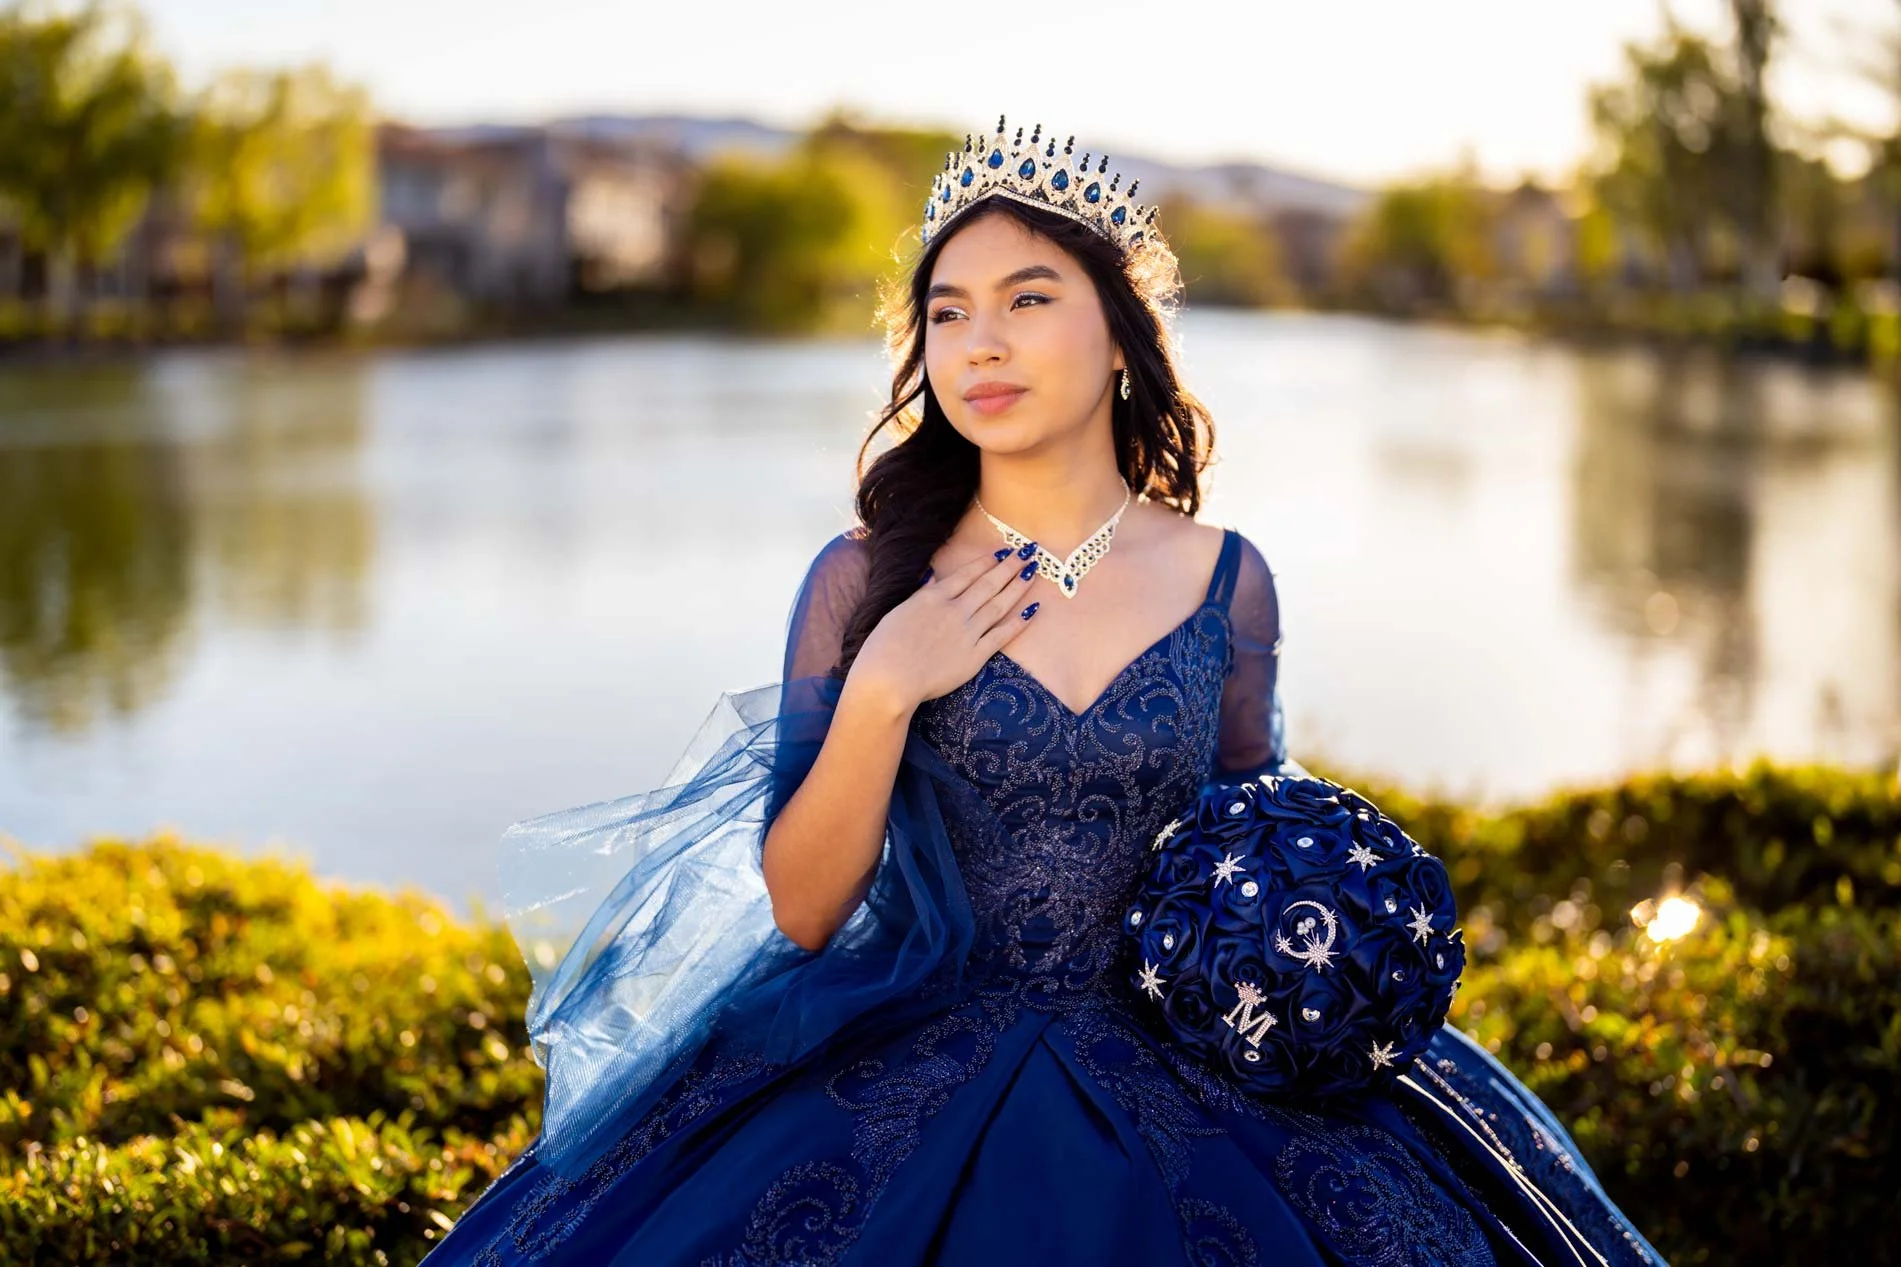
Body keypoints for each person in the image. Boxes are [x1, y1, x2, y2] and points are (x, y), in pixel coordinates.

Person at [424, 116, 1666, 1267]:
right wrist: (884, 691)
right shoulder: (862, 581)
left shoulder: (1227, 580)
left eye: (1027, 299)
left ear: (1119, 333)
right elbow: (802, 910)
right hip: (910, 1047)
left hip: (1186, 1065)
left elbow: (1246, 832)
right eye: (949, 314)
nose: (982, 343)